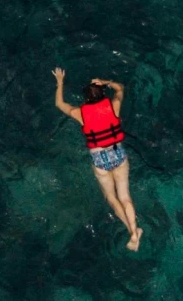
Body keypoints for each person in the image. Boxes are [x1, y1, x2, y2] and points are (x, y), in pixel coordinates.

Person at [54, 68, 141, 251]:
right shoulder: (114, 105)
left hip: (99, 158)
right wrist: (105, 81)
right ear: (102, 94)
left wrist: (60, 81)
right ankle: (134, 230)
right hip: (117, 154)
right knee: (125, 196)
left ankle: (133, 232)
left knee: (111, 197)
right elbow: (120, 88)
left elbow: (59, 104)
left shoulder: (81, 113)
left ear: (86, 98)